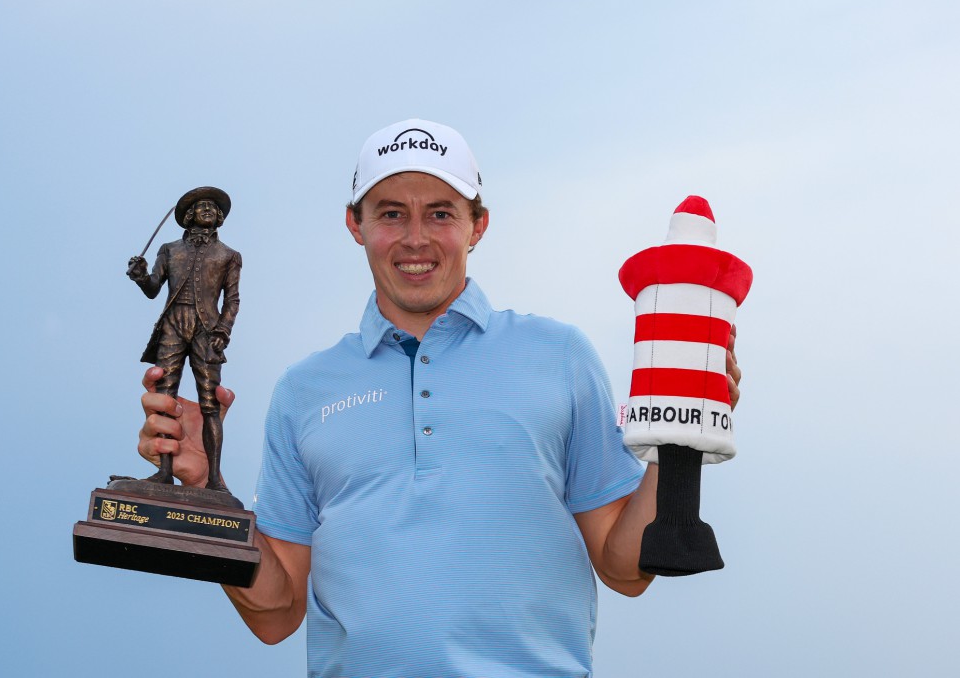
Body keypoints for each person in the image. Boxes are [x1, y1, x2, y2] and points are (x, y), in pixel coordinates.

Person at [137, 120, 742, 677]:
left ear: (478, 225)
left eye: (442, 214)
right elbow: (275, 613)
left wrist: (677, 428)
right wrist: (202, 489)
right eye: (392, 214)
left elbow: (624, 568)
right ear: (356, 225)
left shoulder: (557, 354)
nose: (416, 239)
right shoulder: (305, 388)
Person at [128, 186, 241, 493]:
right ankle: (164, 471)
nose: (207, 210)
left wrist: (223, 330)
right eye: (201, 206)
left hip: (207, 331)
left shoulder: (229, 256)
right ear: (189, 215)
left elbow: (232, 300)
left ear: (219, 218)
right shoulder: (169, 250)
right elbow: (153, 288)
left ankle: (214, 479)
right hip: (173, 325)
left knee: (209, 404)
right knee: (166, 397)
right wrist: (140, 276)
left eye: (213, 208)